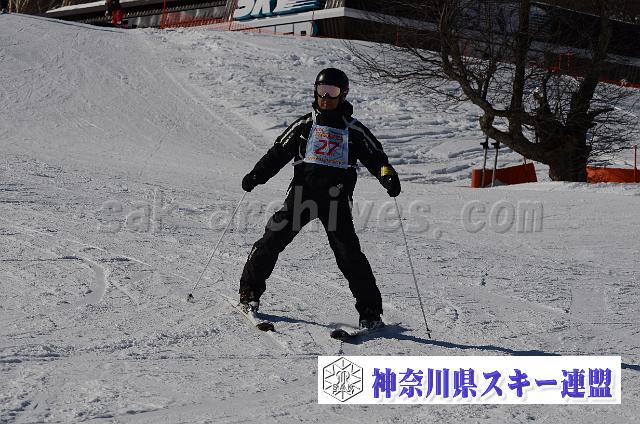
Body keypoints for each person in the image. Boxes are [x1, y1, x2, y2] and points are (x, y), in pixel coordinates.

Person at [239, 68, 401, 329]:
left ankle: (370, 312)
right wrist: (257, 175)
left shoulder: (353, 129)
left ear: (343, 94)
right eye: (321, 91)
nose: (325, 97)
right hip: (302, 195)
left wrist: (388, 176)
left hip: (336, 200)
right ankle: (249, 292)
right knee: (272, 239)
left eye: (332, 92)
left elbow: (377, 158)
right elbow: (278, 153)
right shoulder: (305, 125)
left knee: (348, 254)